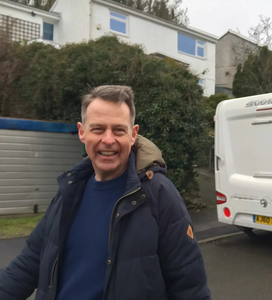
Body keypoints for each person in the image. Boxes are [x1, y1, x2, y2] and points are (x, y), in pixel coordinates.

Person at [0, 85, 211, 300]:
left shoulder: (159, 194)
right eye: (98, 129)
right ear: (82, 132)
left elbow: (190, 287)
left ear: (133, 134)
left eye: (118, 130)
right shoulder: (69, 192)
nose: (108, 139)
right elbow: (29, 263)